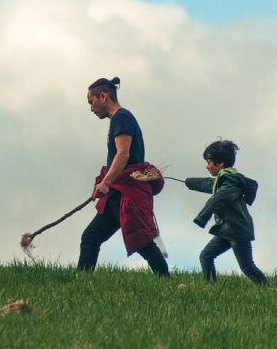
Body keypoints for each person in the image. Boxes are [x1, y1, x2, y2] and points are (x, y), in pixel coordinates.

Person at [77, 77, 169, 277]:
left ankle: (166, 281)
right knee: (91, 237)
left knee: (142, 242)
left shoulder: (122, 118)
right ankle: (81, 282)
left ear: (103, 96)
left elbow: (123, 154)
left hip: (126, 194)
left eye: (91, 102)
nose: (91, 108)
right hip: (117, 194)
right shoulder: (119, 119)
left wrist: (105, 182)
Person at [185, 140, 267, 284]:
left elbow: (217, 198)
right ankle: (210, 287)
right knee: (206, 256)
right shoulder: (225, 181)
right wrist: (187, 182)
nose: (207, 166)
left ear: (220, 163)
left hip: (238, 231)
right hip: (227, 229)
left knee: (247, 267)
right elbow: (208, 184)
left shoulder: (230, 183)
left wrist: (201, 218)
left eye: (209, 162)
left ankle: (268, 290)